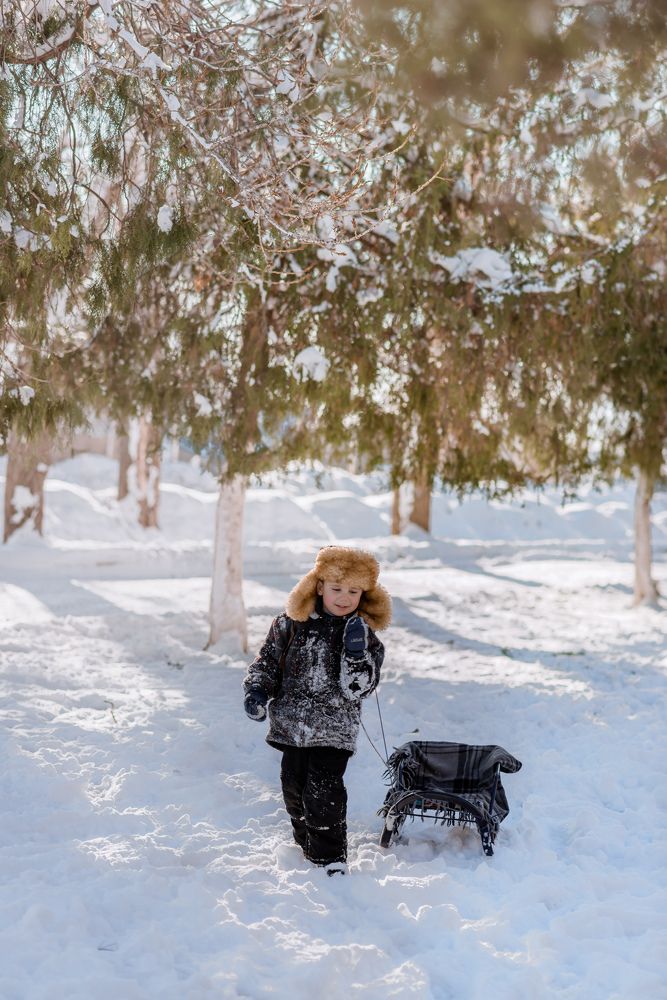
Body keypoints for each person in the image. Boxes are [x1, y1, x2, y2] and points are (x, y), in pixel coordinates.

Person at [243, 545, 392, 875]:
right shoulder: (289, 625)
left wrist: (355, 653)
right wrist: (257, 689)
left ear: (364, 594)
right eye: (337, 588)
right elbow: (268, 662)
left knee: (323, 794)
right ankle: (304, 847)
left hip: (333, 729)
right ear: (319, 586)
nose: (344, 597)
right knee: (293, 789)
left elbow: (359, 687)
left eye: (353, 591)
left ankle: (329, 860)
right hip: (291, 725)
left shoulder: (361, 634)